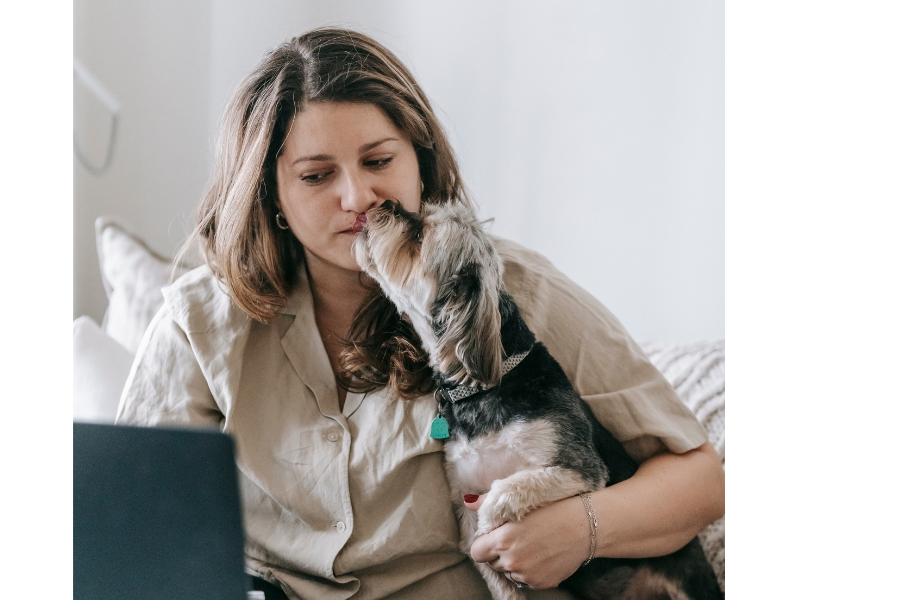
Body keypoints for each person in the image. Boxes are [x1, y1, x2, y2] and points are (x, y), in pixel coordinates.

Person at [116, 27, 724, 600]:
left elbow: (700, 479)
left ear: (419, 161)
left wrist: (584, 527)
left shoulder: (507, 293)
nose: (357, 198)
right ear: (270, 192)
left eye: (378, 161)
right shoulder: (197, 323)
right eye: (317, 175)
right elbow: (134, 526)